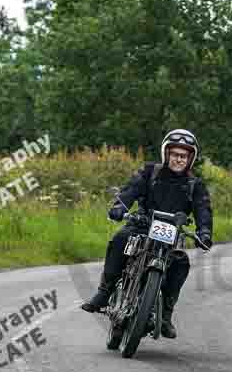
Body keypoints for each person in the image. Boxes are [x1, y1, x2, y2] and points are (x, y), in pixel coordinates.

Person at [81, 129, 213, 339]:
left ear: (190, 158)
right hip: (142, 224)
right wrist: (120, 207)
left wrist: (204, 232)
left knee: (180, 263)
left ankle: (165, 316)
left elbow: (203, 208)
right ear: (166, 154)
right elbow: (130, 190)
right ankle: (104, 292)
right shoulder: (150, 172)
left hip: (172, 234)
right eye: (175, 154)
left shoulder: (195, 184)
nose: (179, 159)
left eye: (184, 156)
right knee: (119, 239)